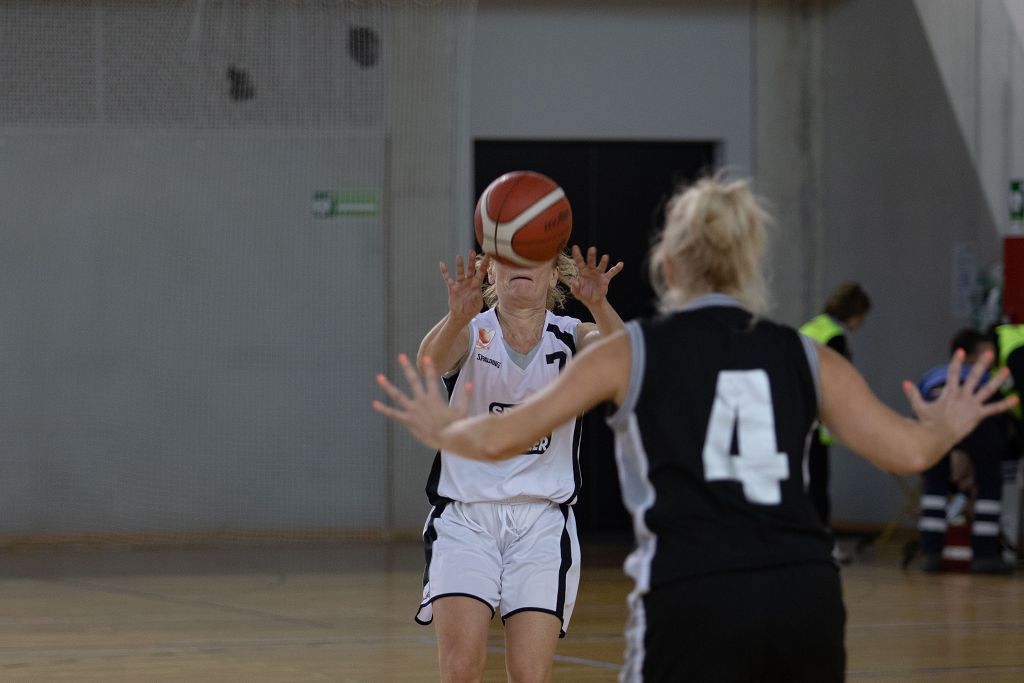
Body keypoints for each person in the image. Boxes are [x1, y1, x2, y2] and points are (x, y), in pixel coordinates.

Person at [374, 175, 1016, 682]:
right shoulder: (806, 353)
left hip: (693, 584)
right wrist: (945, 429)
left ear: (669, 267)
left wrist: (442, 430)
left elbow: (493, 438)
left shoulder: (637, 352)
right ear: (754, 262)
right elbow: (908, 453)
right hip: (803, 588)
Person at [411, 244, 624, 682]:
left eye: (534, 257)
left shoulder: (573, 334)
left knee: (530, 675)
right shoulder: (472, 331)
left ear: (554, 277)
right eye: (509, 257)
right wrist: (455, 316)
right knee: (461, 671)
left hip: (542, 524)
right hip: (467, 519)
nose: (521, 266)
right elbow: (428, 365)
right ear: (490, 274)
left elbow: (625, 362)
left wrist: (599, 306)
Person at [916, 328, 1015, 574]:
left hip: (933, 415)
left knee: (933, 486)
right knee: (990, 483)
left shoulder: (933, 374)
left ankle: (930, 552)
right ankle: (984, 555)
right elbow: (998, 421)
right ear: (968, 356)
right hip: (977, 414)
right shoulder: (984, 377)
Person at [799, 281, 872, 561]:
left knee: (802, 484)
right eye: (861, 316)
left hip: (797, 415)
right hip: (817, 419)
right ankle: (823, 546)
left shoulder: (809, 328)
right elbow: (840, 384)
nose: (861, 323)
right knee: (818, 484)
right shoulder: (835, 338)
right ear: (854, 313)